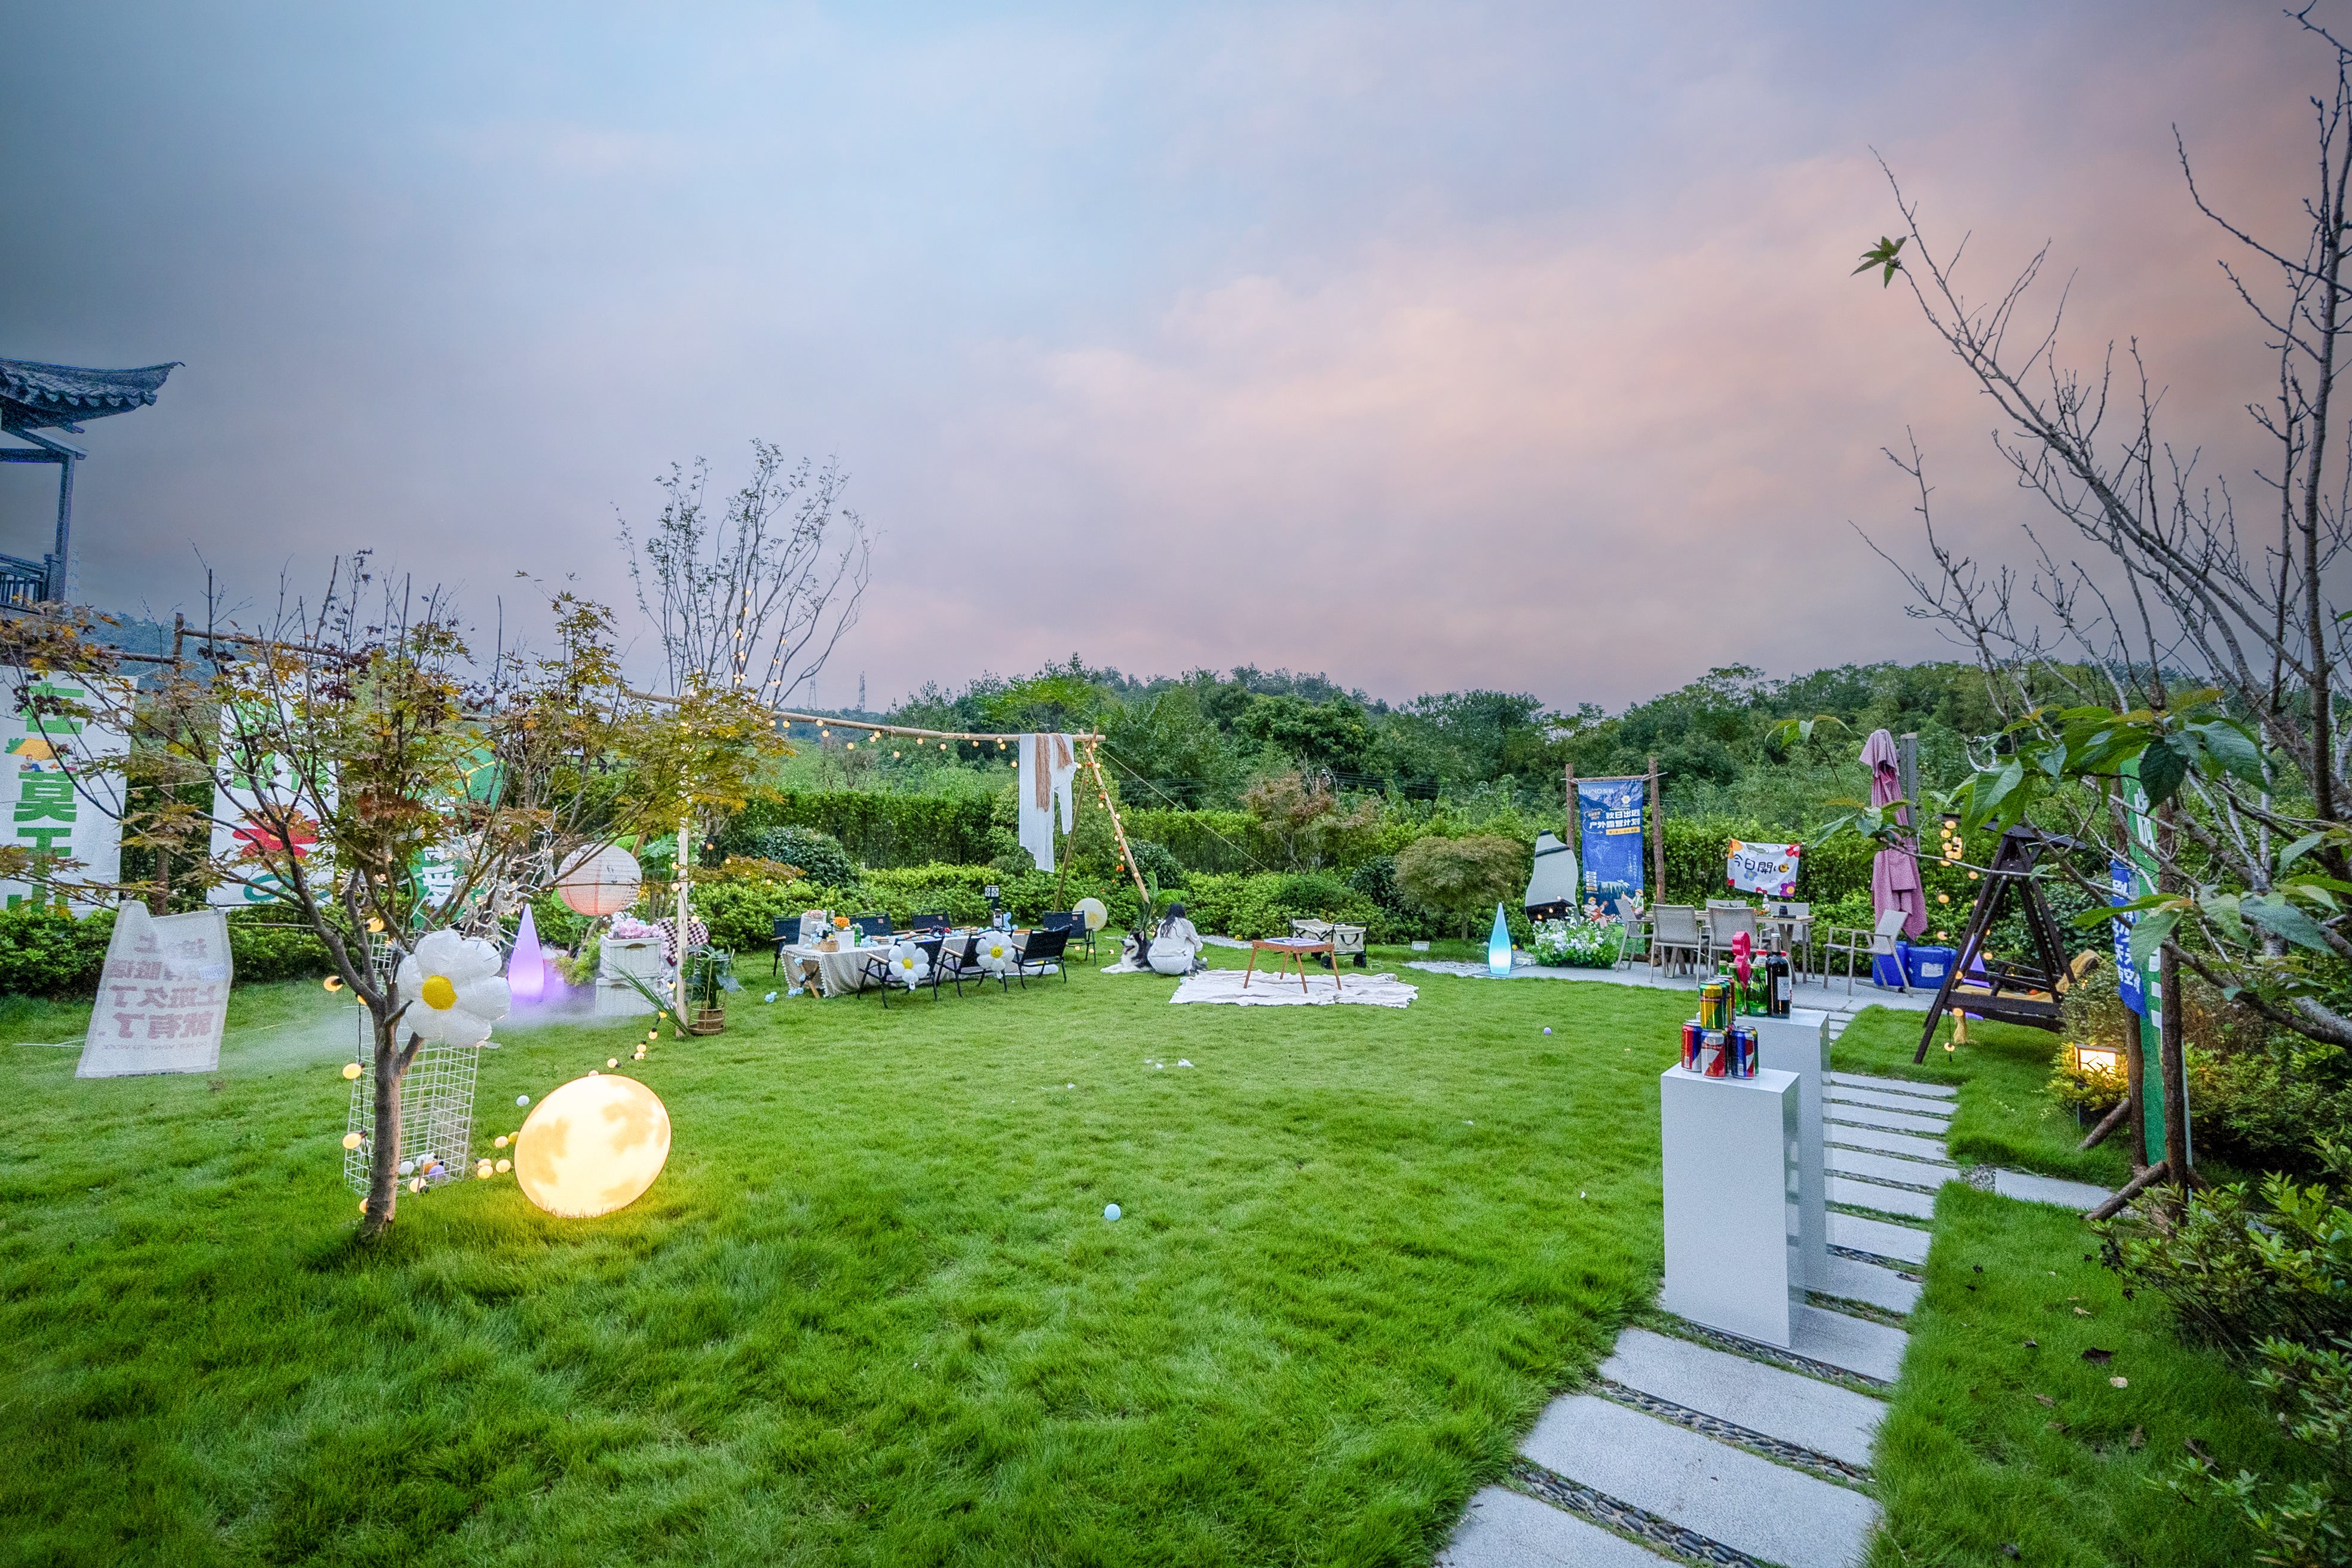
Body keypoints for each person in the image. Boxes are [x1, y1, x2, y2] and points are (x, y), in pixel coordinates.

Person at [1147, 902, 1203, 976]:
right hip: (1176, 965)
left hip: (1157, 965)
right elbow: (1197, 944)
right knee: (1190, 941)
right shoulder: (1186, 924)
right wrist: (1198, 948)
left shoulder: (1163, 924)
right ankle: (1188, 970)